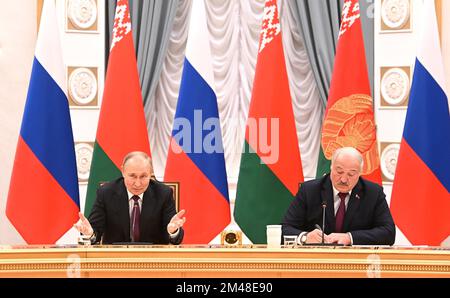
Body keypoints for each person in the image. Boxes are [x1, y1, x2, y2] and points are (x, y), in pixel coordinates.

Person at [282, 147, 395, 245]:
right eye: (339, 171)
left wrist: (350, 237)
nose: (344, 179)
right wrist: (305, 237)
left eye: (351, 174)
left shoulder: (373, 193)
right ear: (331, 167)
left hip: (357, 263)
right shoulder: (310, 191)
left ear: (360, 173)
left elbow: (389, 232)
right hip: (316, 261)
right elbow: (284, 229)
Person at [74, 151, 186, 244]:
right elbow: (94, 233)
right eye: (132, 176)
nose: (138, 183)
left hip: (153, 261)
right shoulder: (106, 193)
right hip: (115, 261)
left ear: (150, 173)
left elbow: (175, 237)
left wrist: (173, 231)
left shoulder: (163, 193)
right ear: (123, 171)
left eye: (143, 176)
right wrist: (89, 234)